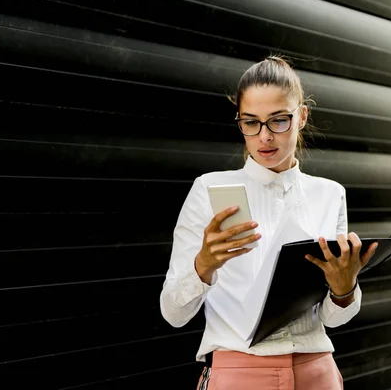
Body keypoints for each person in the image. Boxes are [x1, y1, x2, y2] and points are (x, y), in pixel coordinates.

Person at [160, 55, 378, 390]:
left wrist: (344, 288)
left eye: (278, 121)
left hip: (316, 372)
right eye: (251, 122)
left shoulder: (329, 194)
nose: (264, 137)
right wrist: (203, 266)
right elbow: (173, 313)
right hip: (239, 374)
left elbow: (334, 319)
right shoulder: (209, 189)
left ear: (301, 116)